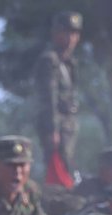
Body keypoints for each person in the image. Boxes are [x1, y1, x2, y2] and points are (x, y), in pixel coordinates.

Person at [35, 11, 82, 174]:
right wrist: (52, 129)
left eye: (74, 33)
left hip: (69, 125)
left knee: (67, 167)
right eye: (66, 32)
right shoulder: (50, 61)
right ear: (56, 34)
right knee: (57, 169)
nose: (70, 38)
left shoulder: (70, 64)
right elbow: (49, 97)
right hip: (57, 125)